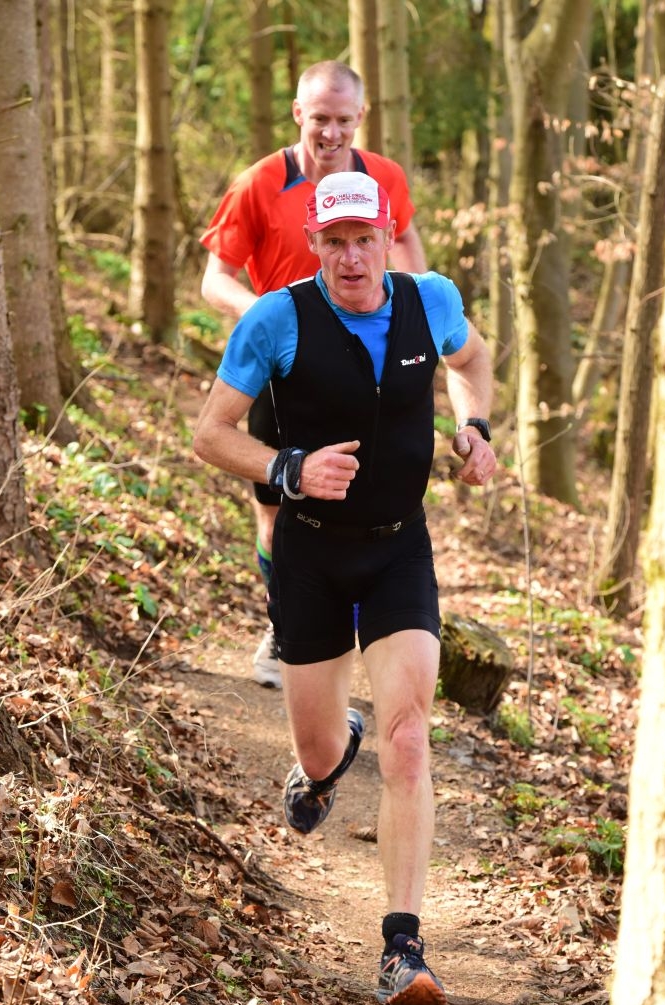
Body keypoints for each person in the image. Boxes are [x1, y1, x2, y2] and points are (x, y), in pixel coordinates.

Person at [193, 172, 497, 1005]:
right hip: (310, 558)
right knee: (322, 749)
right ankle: (328, 761)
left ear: (389, 237)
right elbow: (210, 434)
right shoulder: (275, 319)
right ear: (314, 244)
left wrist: (473, 427)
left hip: (399, 550)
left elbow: (472, 360)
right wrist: (287, 467)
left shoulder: (430, 299)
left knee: (410, 740)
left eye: (366, 239)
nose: (353, 256)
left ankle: (403, 947)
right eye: (335, 242)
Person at [200, 60, 426, 688]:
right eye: (320, 118)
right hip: (284, 373)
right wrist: (268, 320)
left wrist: (413, 319)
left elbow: (408, 246)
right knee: (280, 511)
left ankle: (364, 630)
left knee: (373, 502)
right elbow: (215, 278)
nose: (331, 133)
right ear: (298, 113)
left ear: (361, 117)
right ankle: (287, 622)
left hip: (369, 367)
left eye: (344, 120)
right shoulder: (259, 183)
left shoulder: (384, 178)